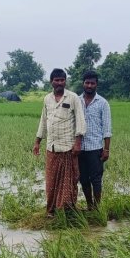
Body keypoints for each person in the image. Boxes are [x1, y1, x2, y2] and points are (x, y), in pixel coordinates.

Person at [33, 68, 86, 216]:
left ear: (65, 81)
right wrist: (37, 142)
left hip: (68, 147)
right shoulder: (47, 99)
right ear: (51, 82)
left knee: (68, 182)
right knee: (51, 182)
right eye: (56, 80)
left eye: (62, 80)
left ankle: (66, 210)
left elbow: (80, 121)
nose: (59, 83)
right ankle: (51, 210)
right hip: (52, 147)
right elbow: (43, 121)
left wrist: (78, 143)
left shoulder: (73, 98)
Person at [78, 70, 112, 210]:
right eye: (87, 83)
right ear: (83, 84)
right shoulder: (76, 101)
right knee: (84, 179)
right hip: (80, 148)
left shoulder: (103, 103)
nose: (89, 85)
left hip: (95, 148)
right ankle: (89, 205)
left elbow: (107, 128)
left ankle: (97, 207)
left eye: (92, 83)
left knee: (96, 179)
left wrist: (106, 149)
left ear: (96, 84)